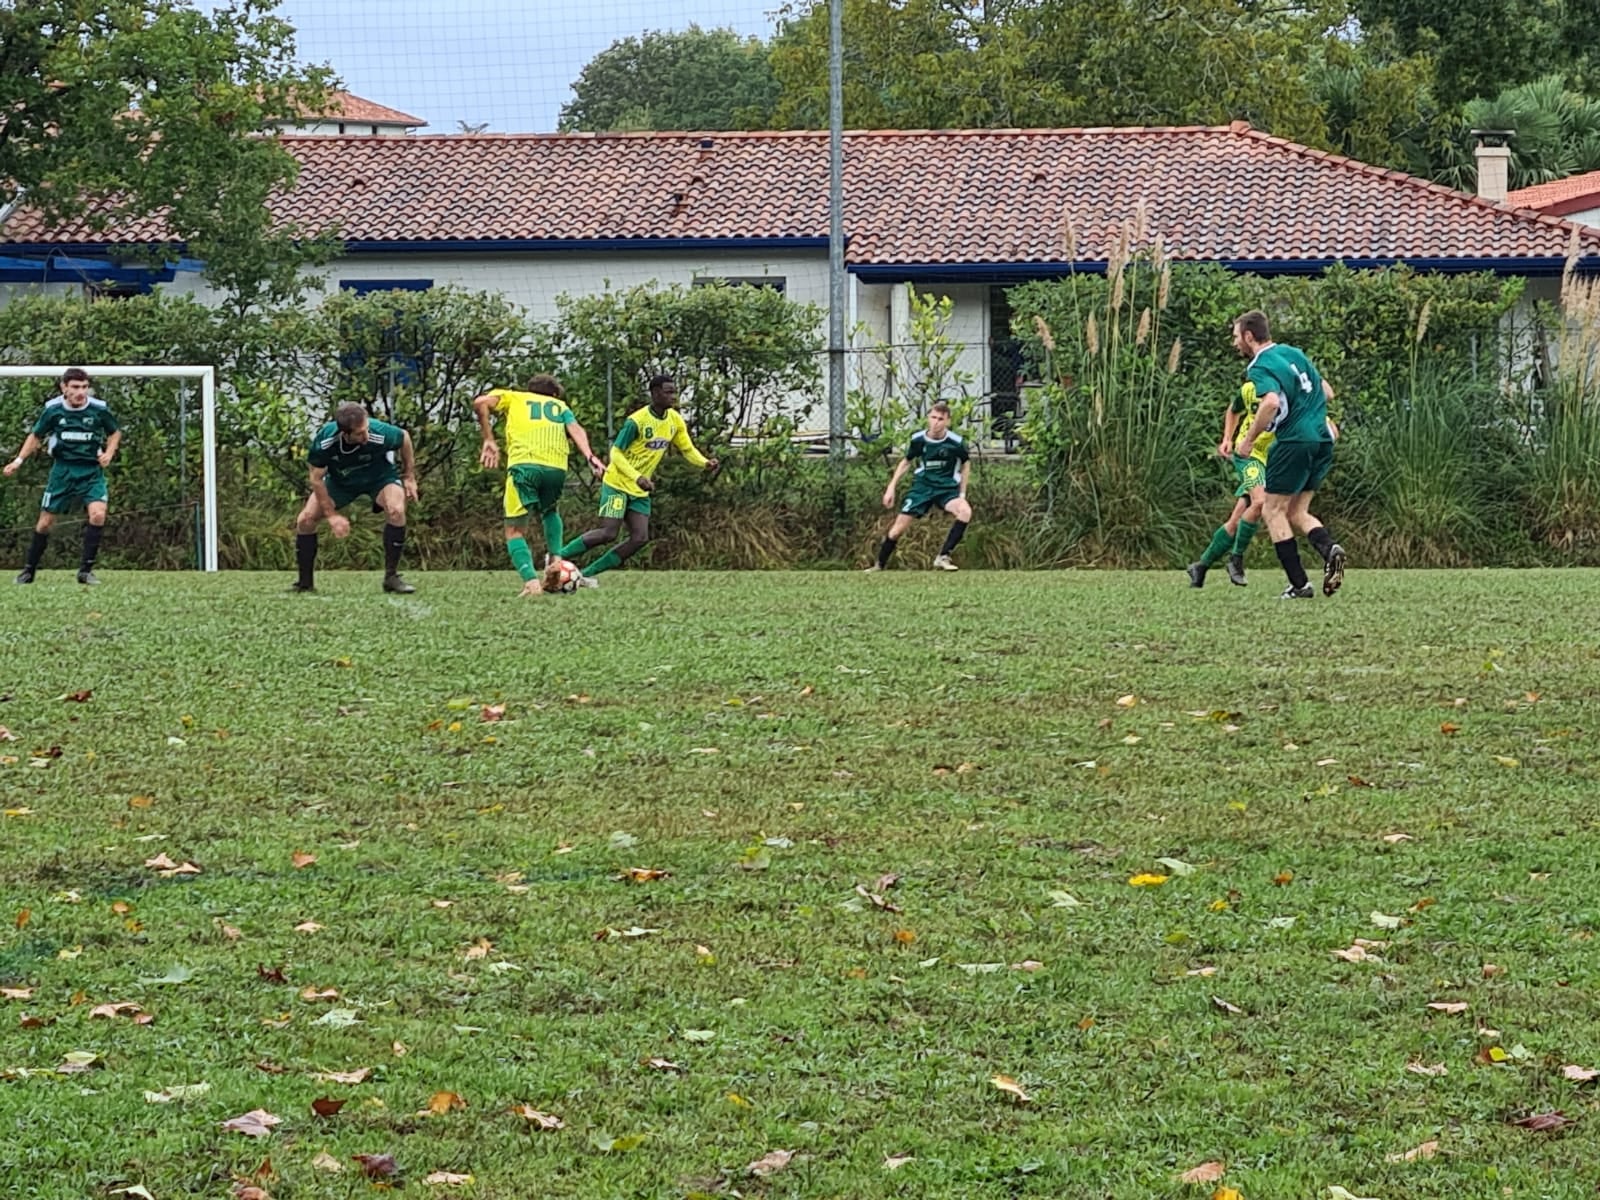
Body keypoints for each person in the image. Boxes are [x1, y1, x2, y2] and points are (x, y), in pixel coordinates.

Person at [556, 375, 718, 585]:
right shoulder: (637, 421)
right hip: (617, 484)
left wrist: (705, 463)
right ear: (655, 393)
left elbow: (687, 448)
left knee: (640, 538)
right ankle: (556, 557)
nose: (673, 397)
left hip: (640, 489)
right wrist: (637, 477)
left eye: (674, 392)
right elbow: (616, 453)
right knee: (608, 533)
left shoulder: (674, 420)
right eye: (668, 392)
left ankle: (586, 574)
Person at [1232, 310, 1346, 600]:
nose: (1234, 344)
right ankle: (1330, 549)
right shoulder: (1293, 353)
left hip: (1294, 440)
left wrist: (1247, 441)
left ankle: (1299, 585)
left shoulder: (1259, 365)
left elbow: (1270, 402)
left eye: (1236, 337)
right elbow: (1327, 392)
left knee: (1272, 510)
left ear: (1248, 336)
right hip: (1323, 438)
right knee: (1297, 511)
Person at [473, 373, 605, 597]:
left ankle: (531, 583)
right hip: (556, 468)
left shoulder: (514, 397)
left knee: (514, 530)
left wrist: (489, 438)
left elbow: (480, 402)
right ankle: (555, 560)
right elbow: (576, 429)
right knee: (550, 511)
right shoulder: (559, 405)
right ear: (553, 394)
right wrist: (590, 457)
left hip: (524, 466)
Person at [5, 368, 121, 585]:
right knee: (45, 523)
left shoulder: (98, 409)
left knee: (98, 515)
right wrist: (18, 461)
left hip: (90, 471)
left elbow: (114, 432)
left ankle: (85, 571)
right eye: (75, 387)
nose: (80, 392)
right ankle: (29, 570)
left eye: (84, 387)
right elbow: (36, 436)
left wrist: (109, 453)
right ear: (64, 388)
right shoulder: (53, 410)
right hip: (63, 471)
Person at [293, 402, 419, 594]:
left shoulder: (379, 433)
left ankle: (391, 578)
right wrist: (331, 515)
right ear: (345, 434)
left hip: (380, 478)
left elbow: (404, 438)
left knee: (396, 509)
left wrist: (409, 476)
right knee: (305, 520)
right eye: (359, 433)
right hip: (340, 483)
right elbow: (316, 478)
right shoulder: (326, 440)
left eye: (366, 429)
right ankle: (305, 583)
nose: (366, 436)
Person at [866, 401, 972, 572]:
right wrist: (891, 487)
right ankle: (879, 565)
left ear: (948, 422)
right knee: (896, 530)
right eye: (933, 417)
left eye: (941, 419)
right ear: (928, 418)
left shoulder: (956, 442)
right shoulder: (918, 440)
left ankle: (943, 557)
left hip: (946, 489)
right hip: (922, 488)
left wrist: (962, 494)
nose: (936, 422)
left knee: (965, 511)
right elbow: (906, 461)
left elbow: (966, 464)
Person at [1186, 380, 1269, 588]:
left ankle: (1201, 566)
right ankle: (1236, 559)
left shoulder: (1290, 393)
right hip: (1249, 455)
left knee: (1236, 519)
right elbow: (1233, 410)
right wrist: (1227, 439)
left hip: (1273, 461)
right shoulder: (1250, 389)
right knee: (1260, 502)